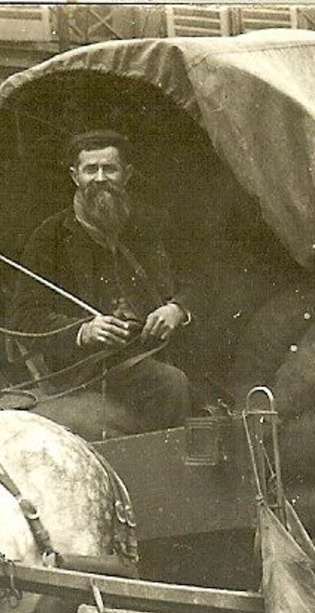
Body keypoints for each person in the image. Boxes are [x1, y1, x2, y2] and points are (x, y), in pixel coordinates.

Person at [10, 129, 195, 435]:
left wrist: (178, 309)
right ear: (75, 176)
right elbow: (24, 317)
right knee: (170, 385)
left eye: (109, 169)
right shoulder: (50, 237)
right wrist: (82, 331)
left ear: (127, 174)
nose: (99, 178)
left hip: (159, 352)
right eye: (89, 170)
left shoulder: (151, 225)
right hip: (87, 370)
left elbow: (199, 278)